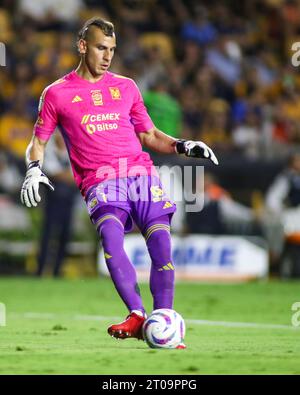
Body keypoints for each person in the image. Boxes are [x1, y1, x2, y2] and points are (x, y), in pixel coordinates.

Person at [20, 17, 218, 348]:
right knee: (112, 239)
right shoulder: (56, 93)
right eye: (101, 48)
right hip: (101, 181)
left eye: (112, 49)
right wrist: (34, 168)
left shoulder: (127, 86)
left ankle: (164, 319)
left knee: (161, 247)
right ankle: (138, 314)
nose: (108, 55)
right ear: (82, 46)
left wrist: (183, 145)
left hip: (141, 174)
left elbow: (150, 135)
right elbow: (37, 140)